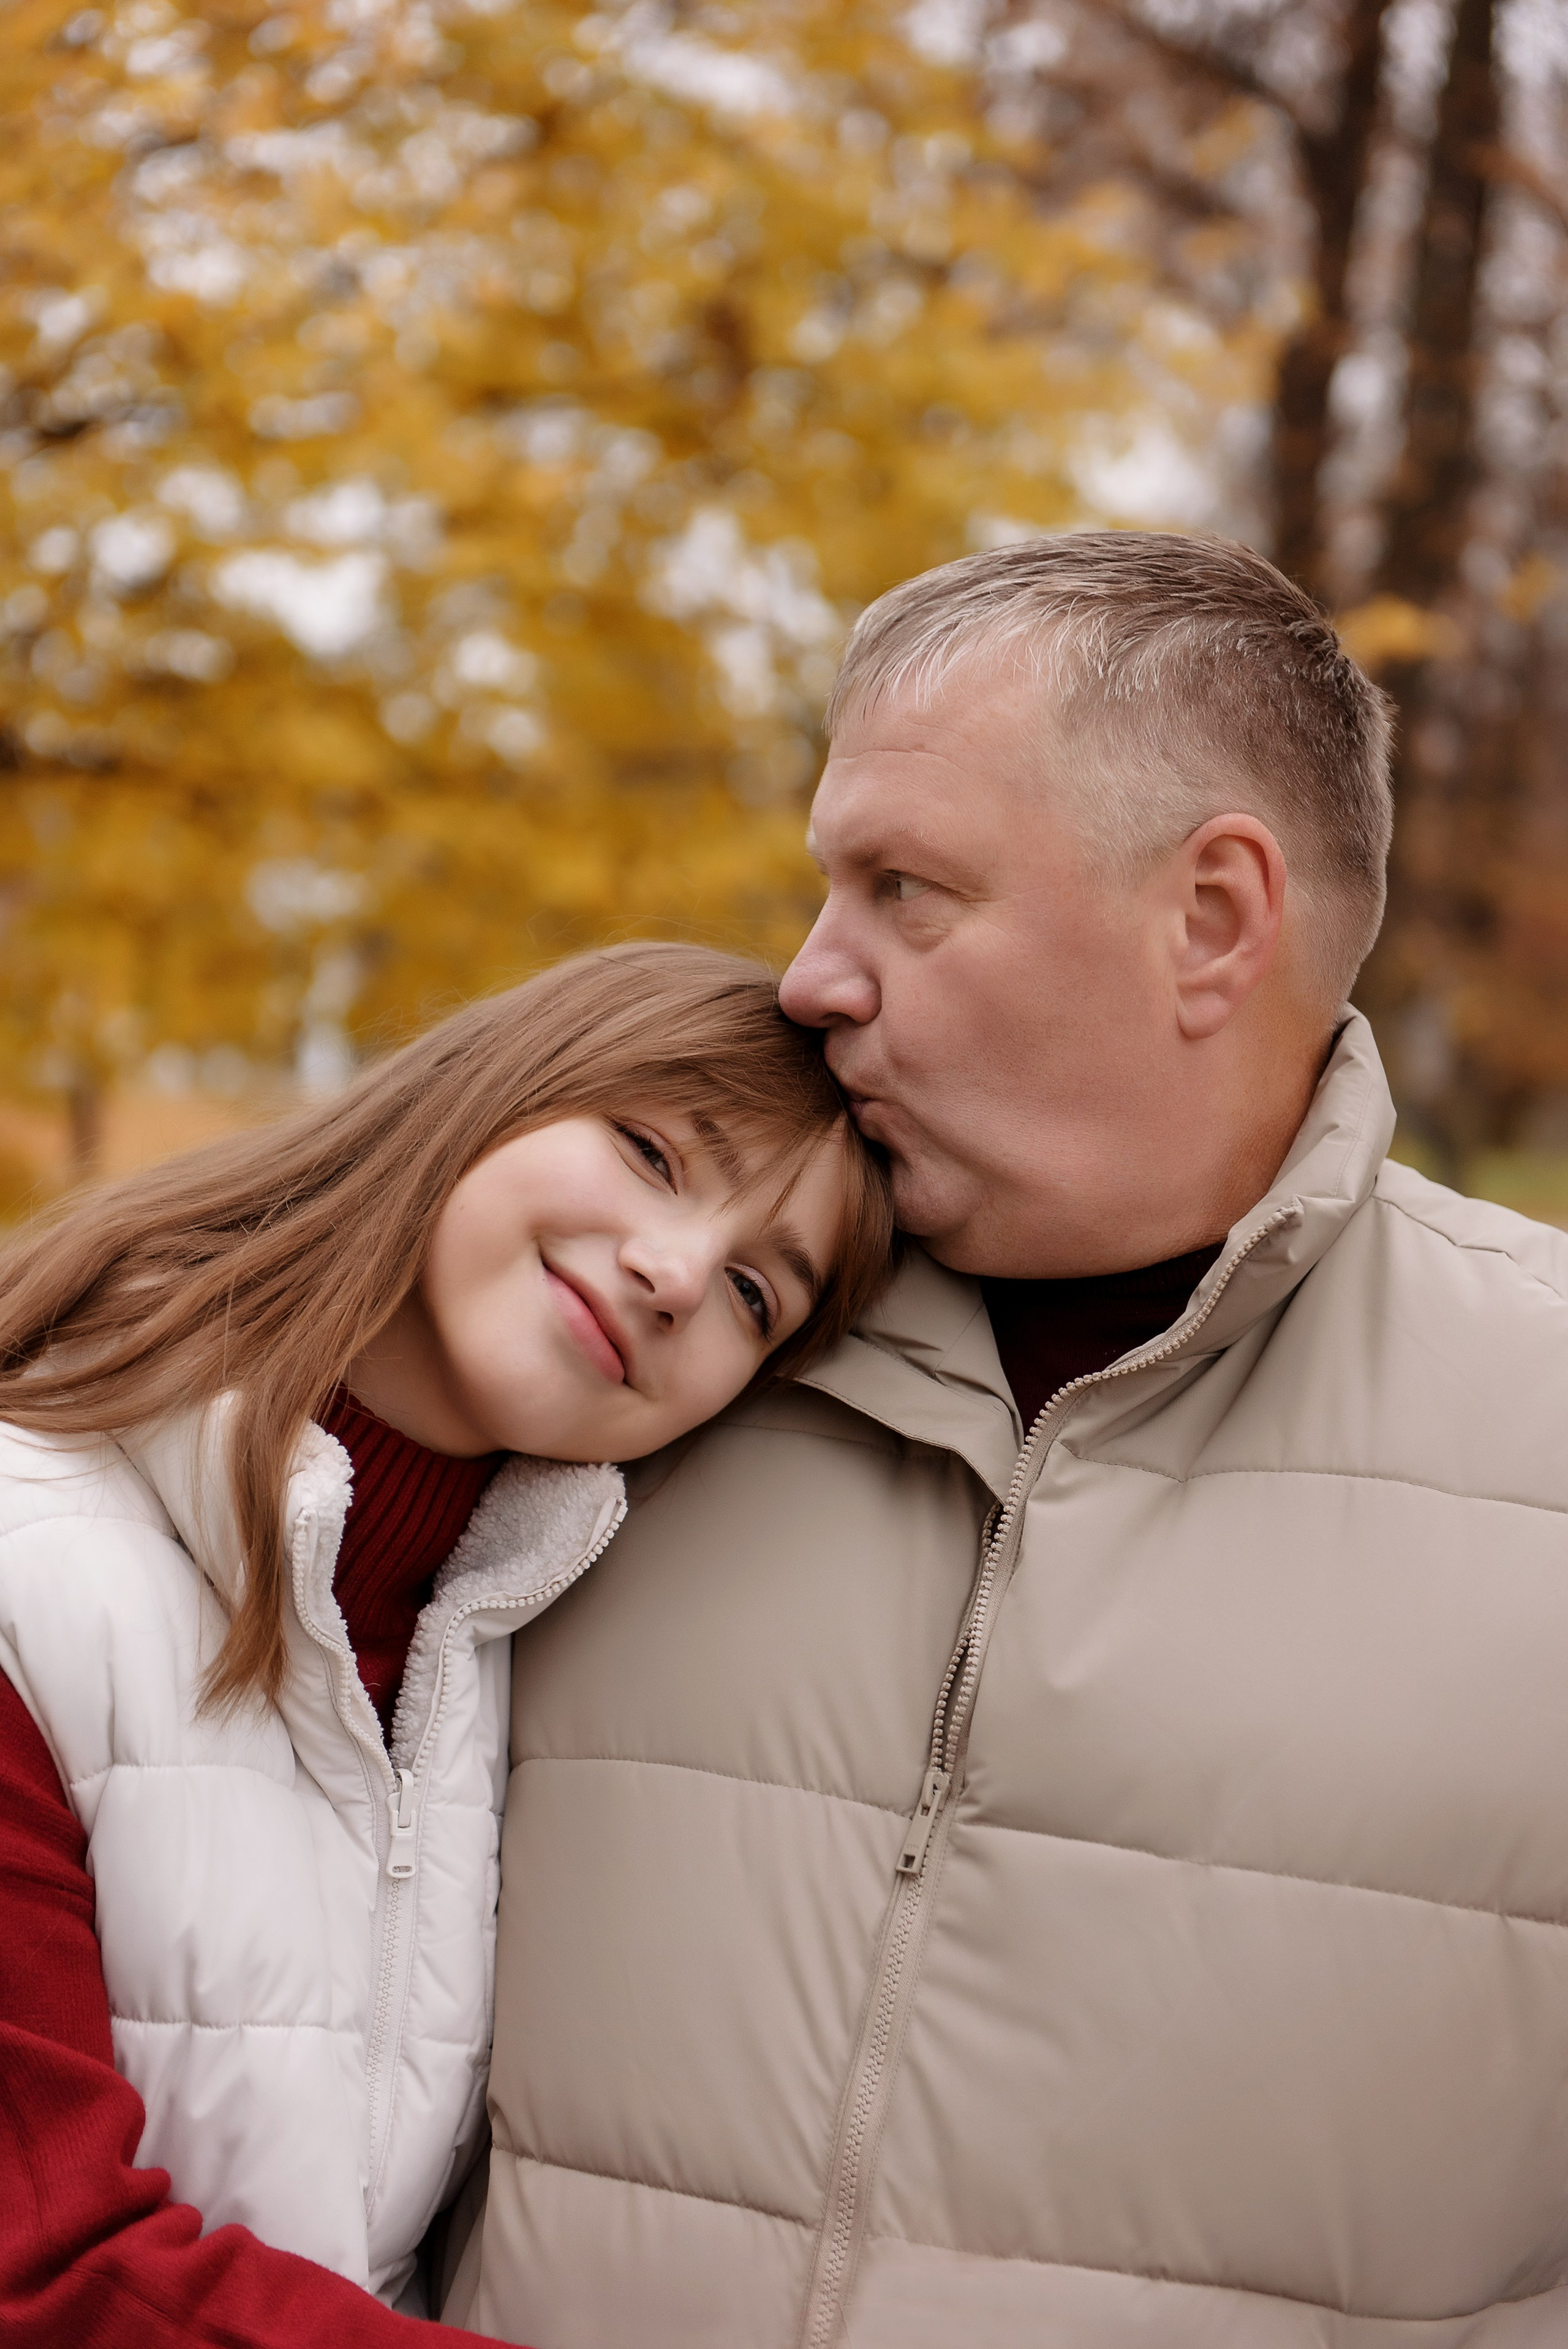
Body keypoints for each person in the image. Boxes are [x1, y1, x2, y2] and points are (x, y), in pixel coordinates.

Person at [455, 535, 1568, 2347]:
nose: (814, 977)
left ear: (1211, 919)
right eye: (829, 889)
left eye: (906, 889)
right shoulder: (637, 1346)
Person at [0, 941, 894, 2349]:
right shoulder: (25, 1554)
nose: (674, 1272)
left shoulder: (506, 1657)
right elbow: (40, 2273)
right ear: (495, 1091)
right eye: (654, 1153)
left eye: (754, 1296)